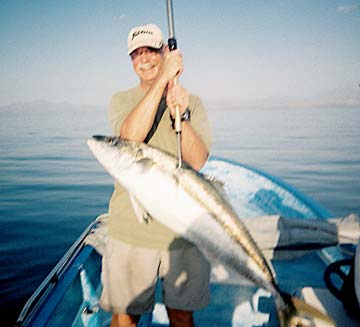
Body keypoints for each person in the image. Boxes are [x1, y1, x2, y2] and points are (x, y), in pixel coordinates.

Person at [100, 23, 212, 327]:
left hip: (183, 232)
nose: (144, 59)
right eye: (136, 54)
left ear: (166, 51)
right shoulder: (121, 100)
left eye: (150, 50)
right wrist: (163, 80)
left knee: (181, 314)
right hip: (132, 230)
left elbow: (198, 160)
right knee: (126, 314)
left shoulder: (192, 102)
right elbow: (129, 139)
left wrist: (182, 115)